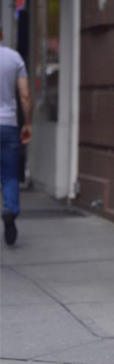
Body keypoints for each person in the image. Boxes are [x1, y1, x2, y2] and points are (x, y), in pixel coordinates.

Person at [0, 24, 32, 245]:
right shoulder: (14, 58)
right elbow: (25, 95)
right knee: (9, 175)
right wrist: (27, 123)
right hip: (8, 124)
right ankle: (10, 210)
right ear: (2, 34)